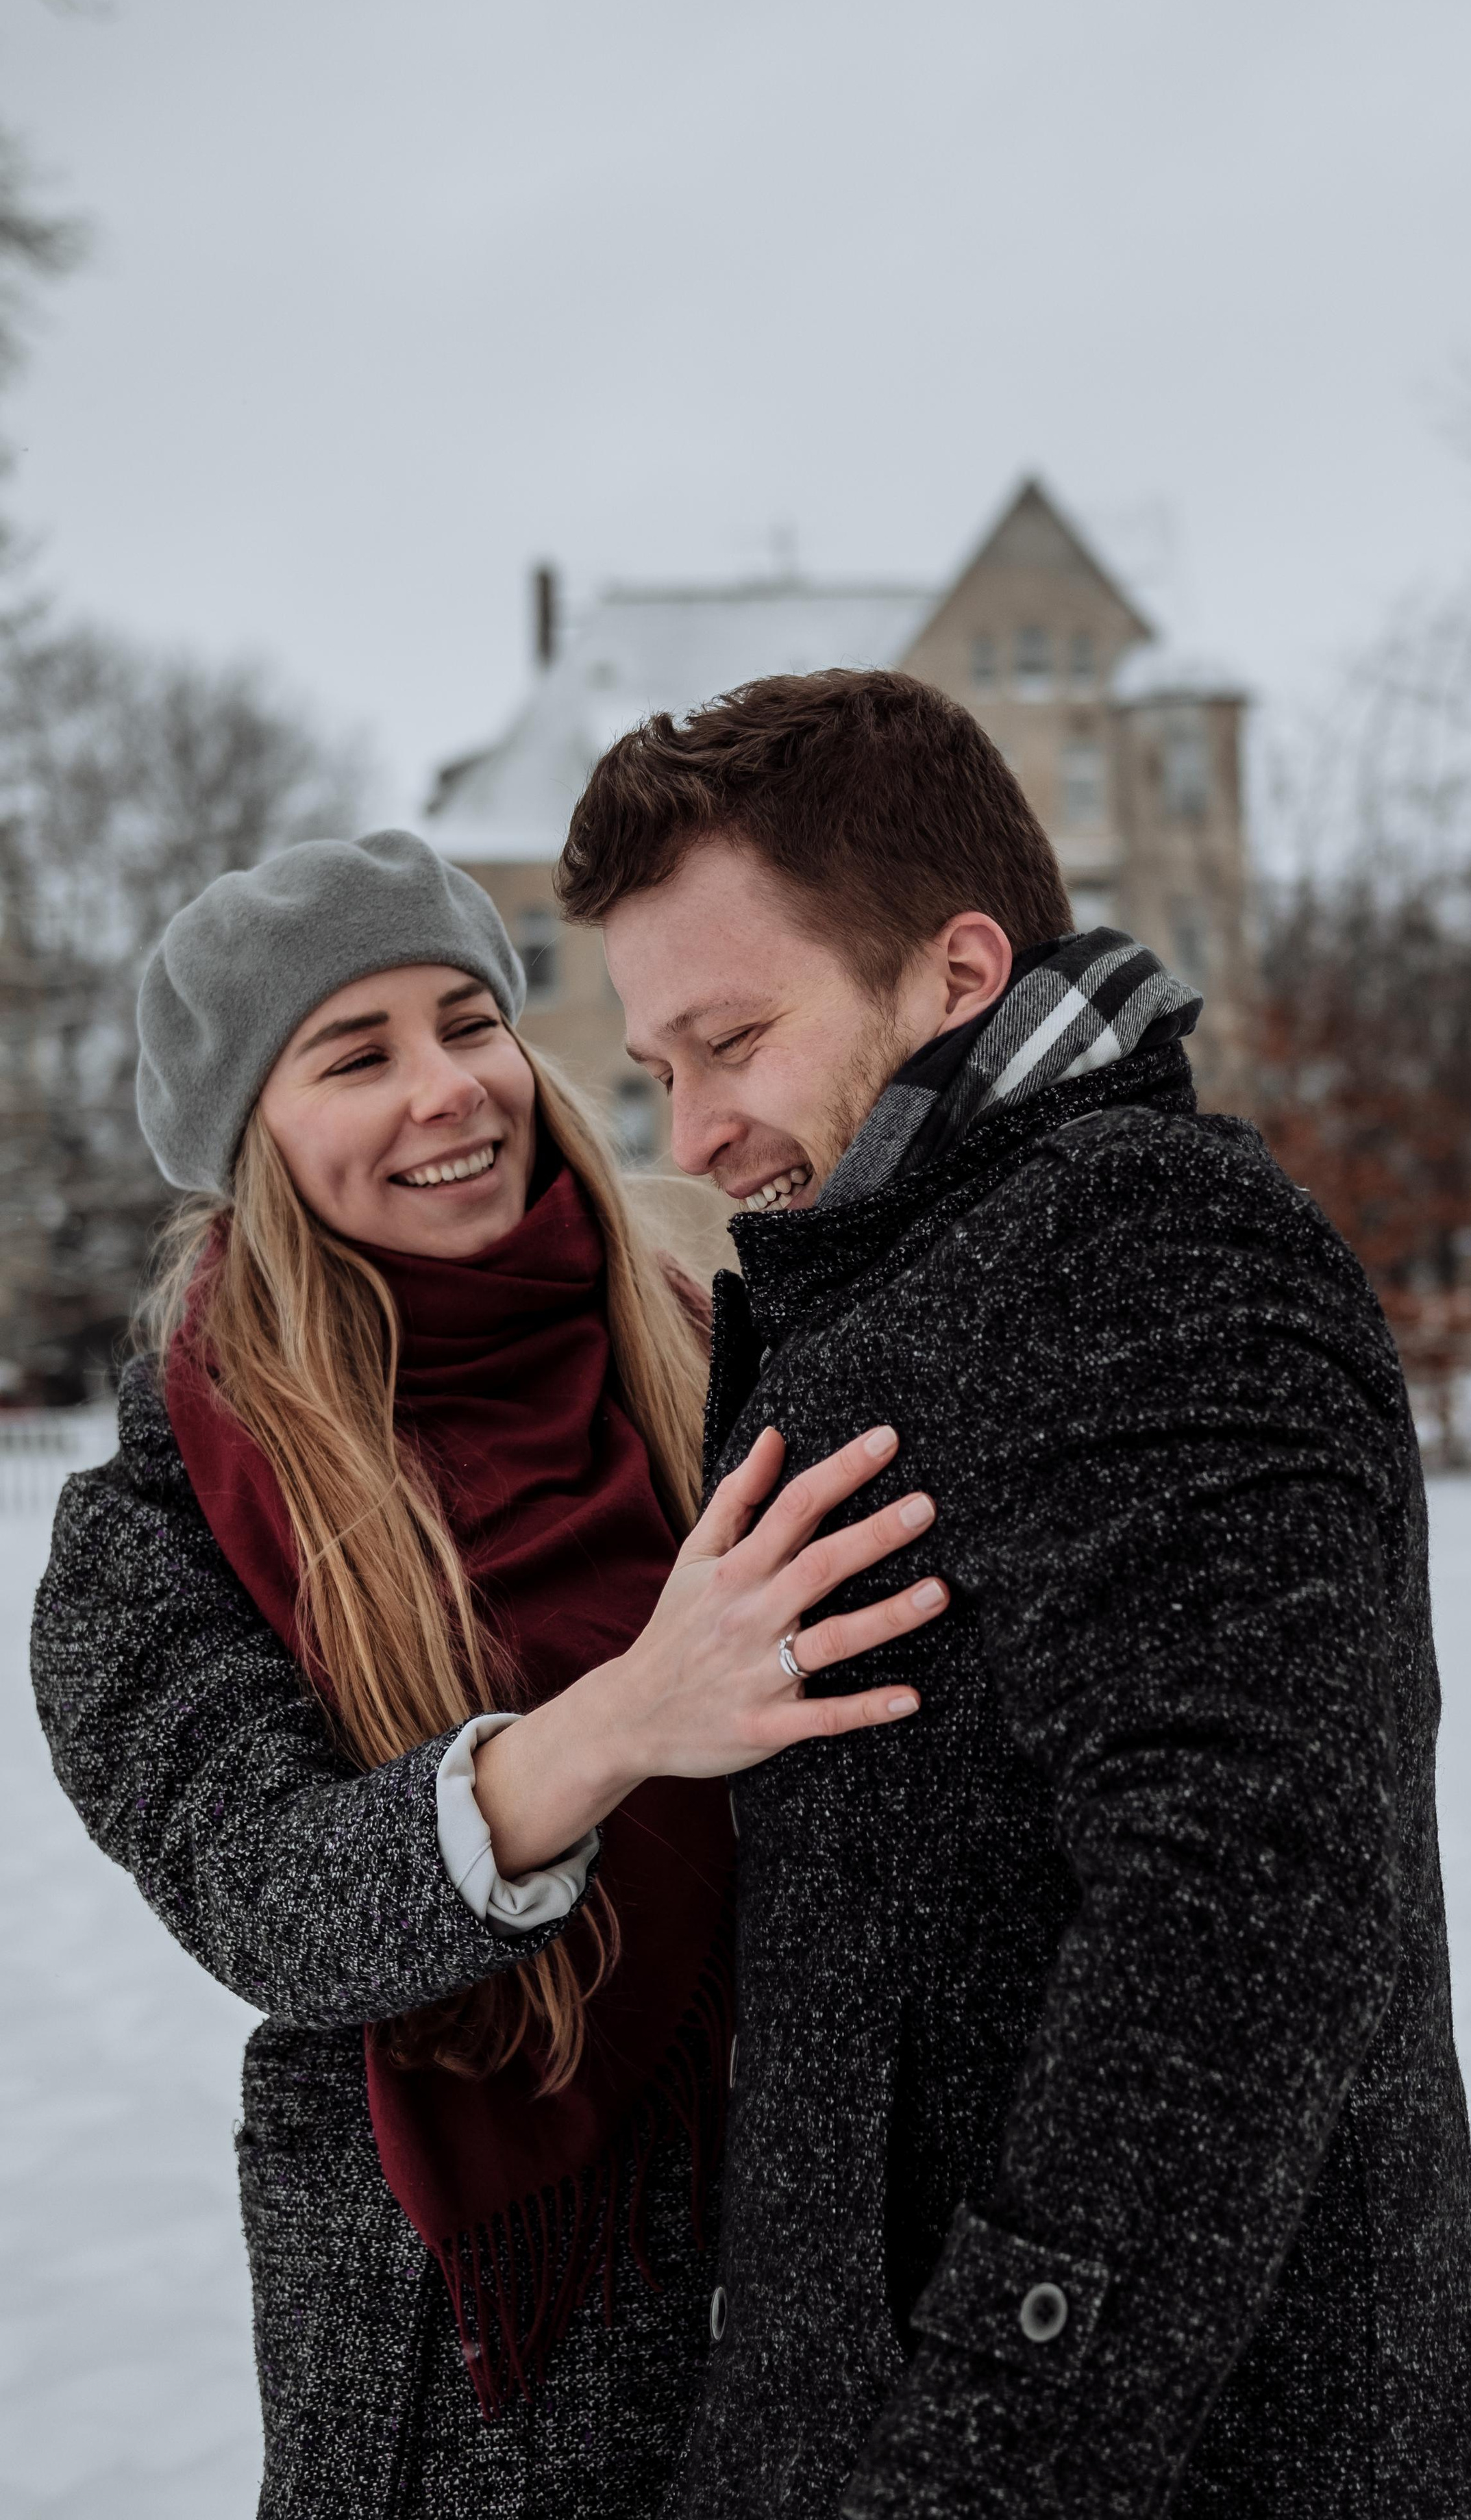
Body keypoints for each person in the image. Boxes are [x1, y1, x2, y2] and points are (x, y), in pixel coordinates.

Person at [558, 671, 1471, 2520]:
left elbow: (1256, 1896)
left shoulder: (1143, 1244)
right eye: (658, 1072)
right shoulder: (890, 1271)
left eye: (732, 1041)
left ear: (954, 975)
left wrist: (990, 2446)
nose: (690, 1134)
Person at [30, 827, 947, 2520]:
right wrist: (621, 1721)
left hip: (823, 2278)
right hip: (480, 2372)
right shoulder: (155, 1532)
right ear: (254, 1137)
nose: (447, 1090)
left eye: (470, 1023)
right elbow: (278, 1907)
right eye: (355, 1055)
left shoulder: (717, 1343)